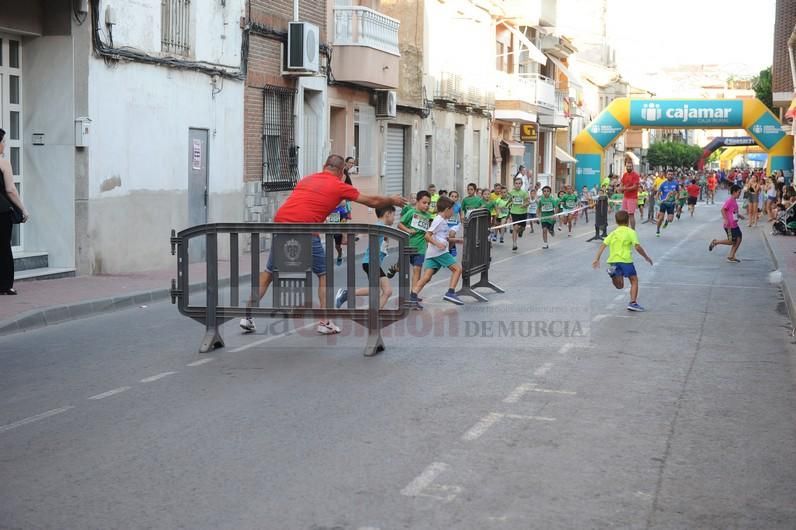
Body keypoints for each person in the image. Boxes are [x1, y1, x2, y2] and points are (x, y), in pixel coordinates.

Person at [239, 155, 406, 334]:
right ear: (342, 171)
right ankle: (324, 322)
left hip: (282, 223)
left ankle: (247, 315)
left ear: (324, 166)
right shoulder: (339, 185)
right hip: (306, 228)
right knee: (324, 274)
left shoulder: (307, 179)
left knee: (269, 272)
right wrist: (391, 200)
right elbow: (371, 201)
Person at [335, 206, 395, 310]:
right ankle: (346, 294)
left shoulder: (383, 227)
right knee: (375, 290)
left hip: (374, 263)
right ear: (387, 214)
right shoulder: (379, 226)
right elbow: (368, 232)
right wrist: (356, 236)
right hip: (371, 262)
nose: (394, 218)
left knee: (387, 291)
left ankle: (376, 310)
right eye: (394, 215)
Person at [593, 209, 653, 312]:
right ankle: (633, 303)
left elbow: (603, 245)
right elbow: (637, 247)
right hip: (626, 260)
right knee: (634, 280)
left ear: (616, 221)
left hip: (613, 261)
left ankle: (613, 274)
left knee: (620, 286)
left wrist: (597, 258)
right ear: (628, 220)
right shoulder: (631, 232)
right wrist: (646, 256)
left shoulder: (613, 233)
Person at [410, 196, 464, 307]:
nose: (453, 212)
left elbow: (442, 236)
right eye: (452, 210)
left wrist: (457, 240)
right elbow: (427, 235)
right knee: (457, 270)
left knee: (427, 277)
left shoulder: (442, 220)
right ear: (447, 209)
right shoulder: (438, 220)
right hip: (440, 252)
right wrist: (438, 244)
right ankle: (451, 292)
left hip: (433, 253)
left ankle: (413, 296)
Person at [0, 128, 29, 295]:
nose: (4, 145)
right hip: (2, 212)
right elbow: (11, 189)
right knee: (4, 247)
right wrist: (23, 209)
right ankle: (5, 285)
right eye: (3, 142)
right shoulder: (3, 162)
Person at [398, 190, 433, 296]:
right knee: (402, 269)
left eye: (428, 203)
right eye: (424, 202)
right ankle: (395, 267)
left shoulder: (428, 216)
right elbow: (400, 224)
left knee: (417, 269)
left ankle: (413, 294)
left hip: (420, 248)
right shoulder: (411, 212)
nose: (426, 205)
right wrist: (408, 230)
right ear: (417, 201)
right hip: (408, 245)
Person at [709, 185, 744, 263]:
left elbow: (733, 212)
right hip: (729, 225)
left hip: (734, 224)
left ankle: (731, 256)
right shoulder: (730, 201)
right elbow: (723, 210)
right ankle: (716, 242)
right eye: (739, 192)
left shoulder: (734, 201)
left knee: (739, 238)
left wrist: (739, 215)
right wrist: (725, 219)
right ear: (734, 192)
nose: (740, 194)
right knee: (732, 241)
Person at [655, 170, 679, 237]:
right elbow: (657, 194)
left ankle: (667, 221)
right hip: (664, 203)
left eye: (671, 174)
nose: (670, 175)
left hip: (671, 204)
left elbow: (678, 193)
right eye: (669, 174)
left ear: (673, 175)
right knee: (660, 218)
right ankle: (658, 230)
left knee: (670, 220)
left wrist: (677, 199)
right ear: (666, 175)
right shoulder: (663, 184)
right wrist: (658, 201)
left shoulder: (675, 184)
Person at [508, 177, 529, 251]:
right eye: (516, 183)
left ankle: (521, 231)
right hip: (514, 212)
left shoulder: (524, 193)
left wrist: (525, 205)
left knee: (522, 227)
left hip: (523, 212)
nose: (518, 185)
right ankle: (514, 244)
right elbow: (509, 201)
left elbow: (527, 202)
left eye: (519, 183)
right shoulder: (511, 193)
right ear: (514, 184)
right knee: (515, 228)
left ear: (521, 184)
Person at [619, 158, 641, 228]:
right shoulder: (625, 174)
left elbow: (635, 187)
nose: (628, 168)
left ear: (632, 166)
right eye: (627, 166)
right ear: (626, 166)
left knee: (631, 214)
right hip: (625, 197)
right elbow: (622, 183)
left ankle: (633, 231)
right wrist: (620, 188)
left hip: (632, 198)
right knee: (625, 214)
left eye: (630, 166)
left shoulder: (635, 175)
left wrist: (624, 188)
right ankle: (626, 230)